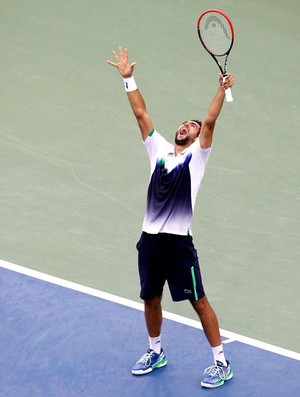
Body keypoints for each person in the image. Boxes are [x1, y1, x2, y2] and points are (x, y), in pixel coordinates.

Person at [107, 47, 234, 389]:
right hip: (149, 240)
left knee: (198, 300)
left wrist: (221, 91)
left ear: (196, 138)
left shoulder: (198, 157)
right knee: (150, 297)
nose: (187, 127)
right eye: (184, 124)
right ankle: (156, 351)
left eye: (191, 127)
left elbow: (210, 121)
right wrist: (128, 79)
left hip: (179, 244)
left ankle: (221, 361)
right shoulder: (158, 149)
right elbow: (141, 114)